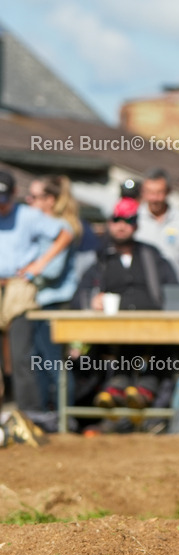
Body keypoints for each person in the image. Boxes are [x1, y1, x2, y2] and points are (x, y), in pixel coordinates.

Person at [75, 198, 179, 431]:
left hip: (154, 330)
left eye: (128, 220)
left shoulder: (152, 255)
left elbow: (175, 290)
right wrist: (92, 299)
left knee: (160, 350)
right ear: (109, 223)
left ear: (136, 225)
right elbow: (80, 294)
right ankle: (117, 389)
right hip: (113, 333)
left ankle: (143, 391)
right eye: (117, 220)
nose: (122, 225)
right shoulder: (100, 258)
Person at [0, 169, 72, 415]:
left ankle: (30, 414)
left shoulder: (29, 216)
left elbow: (65, 234)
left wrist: (39, 264)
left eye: (5, 200)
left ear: (14, 194)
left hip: (18, 289)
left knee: (22, 355)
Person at [24, 175, 83, 431]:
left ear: (50, 200)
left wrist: (24, 270)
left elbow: (51, 269)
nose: (29, 202)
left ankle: (64, 419)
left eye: (35, 197)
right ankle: (51, 417)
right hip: (41, 304)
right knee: (40, 362)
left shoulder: (60, 227)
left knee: (53, 364)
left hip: (55, 305)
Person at [136, 168, 179, 287]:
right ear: (143, 192)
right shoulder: (133, 220)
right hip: (141, 290)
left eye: (159, 193)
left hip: (175, 291)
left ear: (168, 191)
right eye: (149, 192)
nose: (154, 198)